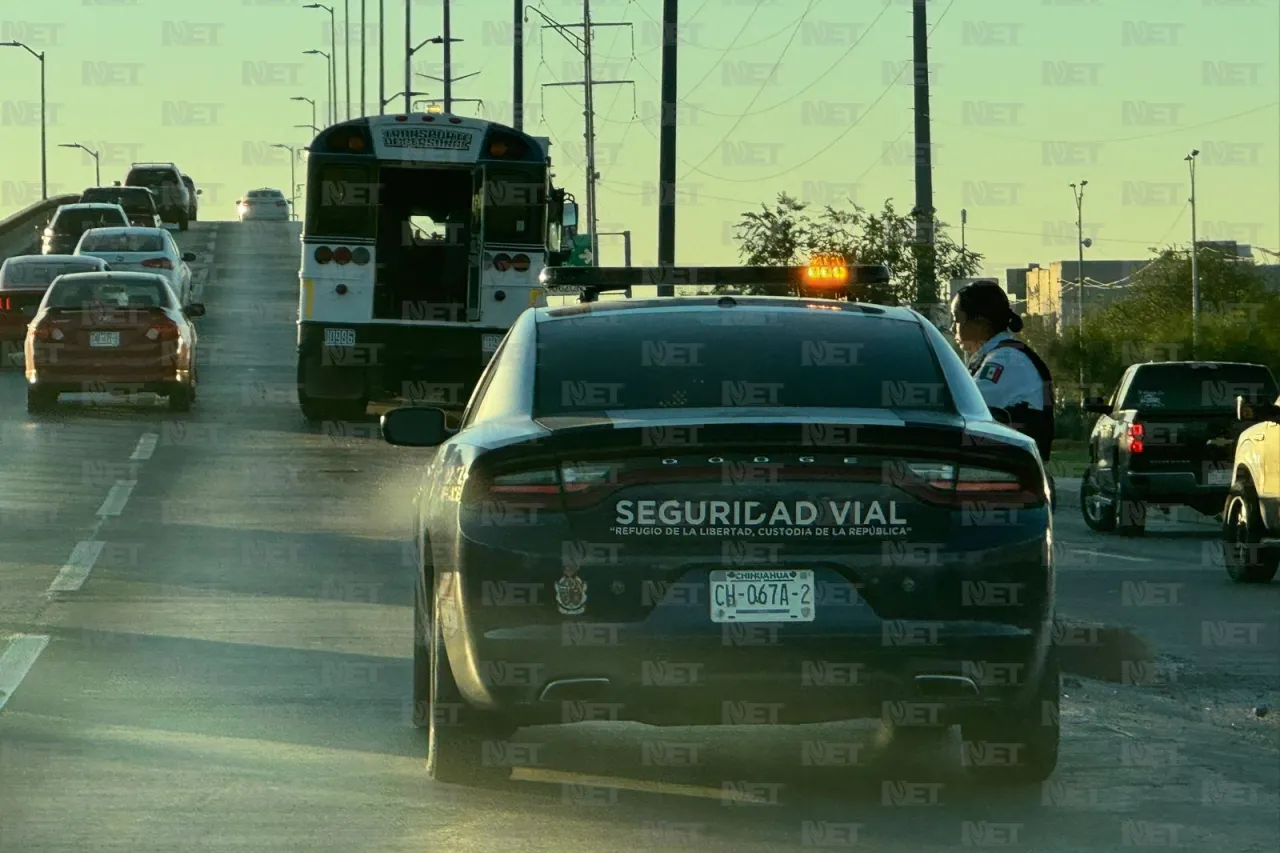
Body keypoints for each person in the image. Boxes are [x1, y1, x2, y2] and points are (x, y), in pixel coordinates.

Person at [950, 280, 1057, 509]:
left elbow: (963, 408)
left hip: (1013, 483)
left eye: (957, 320)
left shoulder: (1006, 360)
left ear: (980, 323)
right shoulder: (998, 356)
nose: (952, 328)